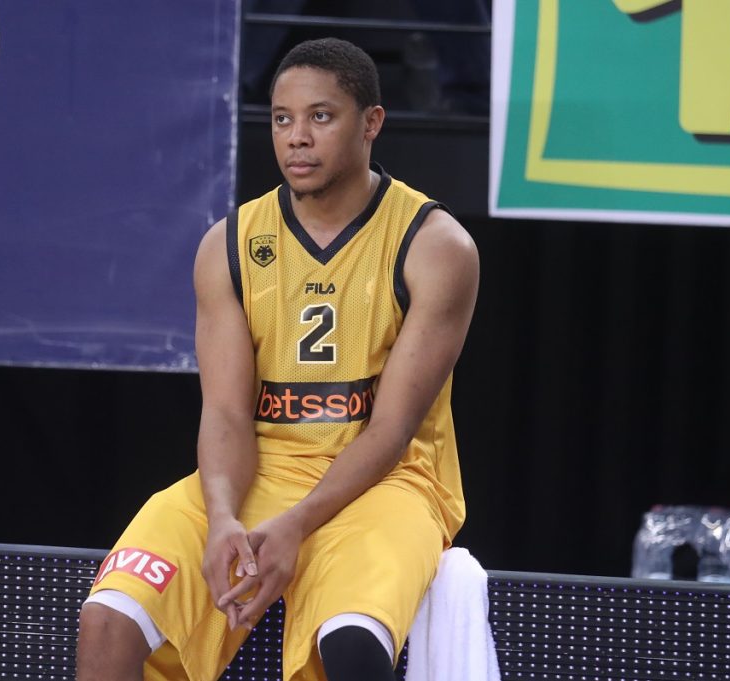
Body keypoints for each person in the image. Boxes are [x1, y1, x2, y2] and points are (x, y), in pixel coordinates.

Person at [76, 37, 479, 681]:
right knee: (106, 622)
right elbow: (227, 414)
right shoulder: (229, 244)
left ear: (371, 122)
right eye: (283, 119)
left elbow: (391, 430)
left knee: (351, 645)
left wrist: (296, 526)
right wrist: (222, 518)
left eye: (321, 116)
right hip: (259, 472)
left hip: (389, 483)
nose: (297, 138)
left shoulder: (434, 245)